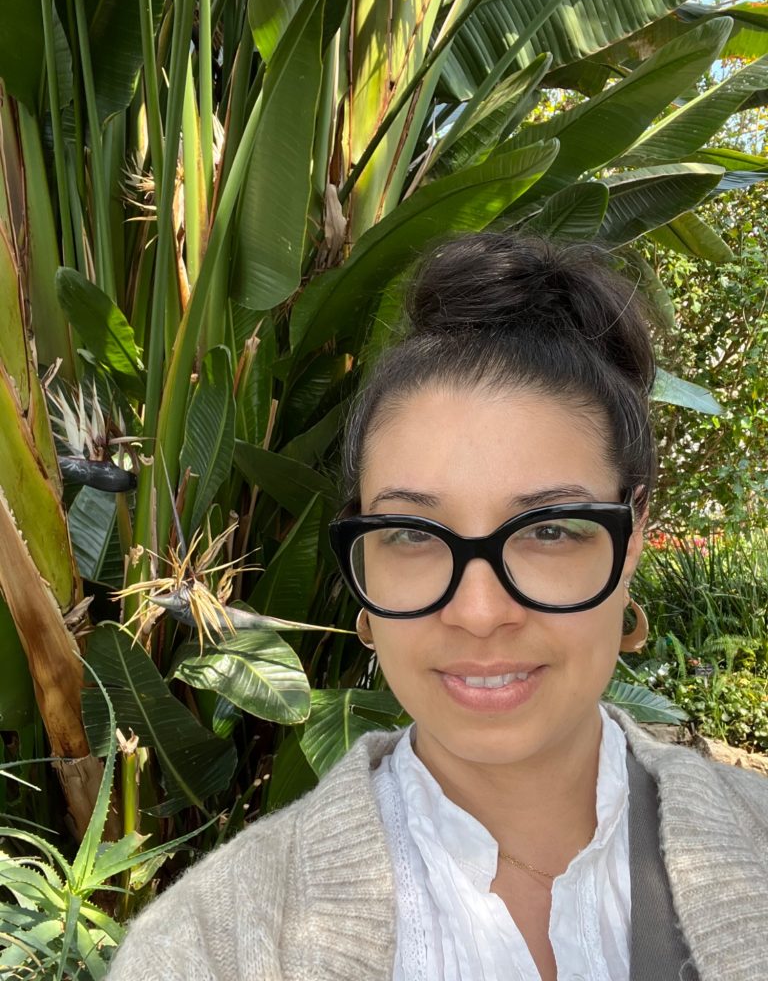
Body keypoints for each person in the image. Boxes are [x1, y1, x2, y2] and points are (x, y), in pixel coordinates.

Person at [107, 233, 768, 981]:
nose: (479, 612)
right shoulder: (205, 946)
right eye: (413, 534)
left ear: (634, 532)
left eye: (549, 530)